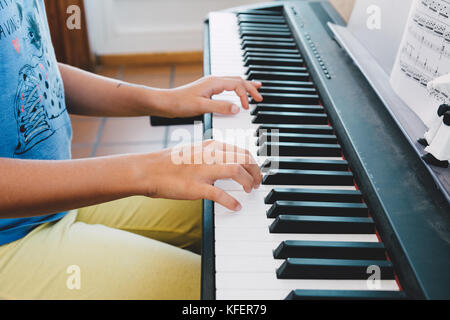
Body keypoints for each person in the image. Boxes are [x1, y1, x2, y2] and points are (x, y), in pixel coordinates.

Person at [0, 0, 263, 299]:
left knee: (246, 202)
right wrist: (148, 170)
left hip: (53, 201)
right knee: (232, 293)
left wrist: (164, 100)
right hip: (10, 242)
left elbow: (33, 65)